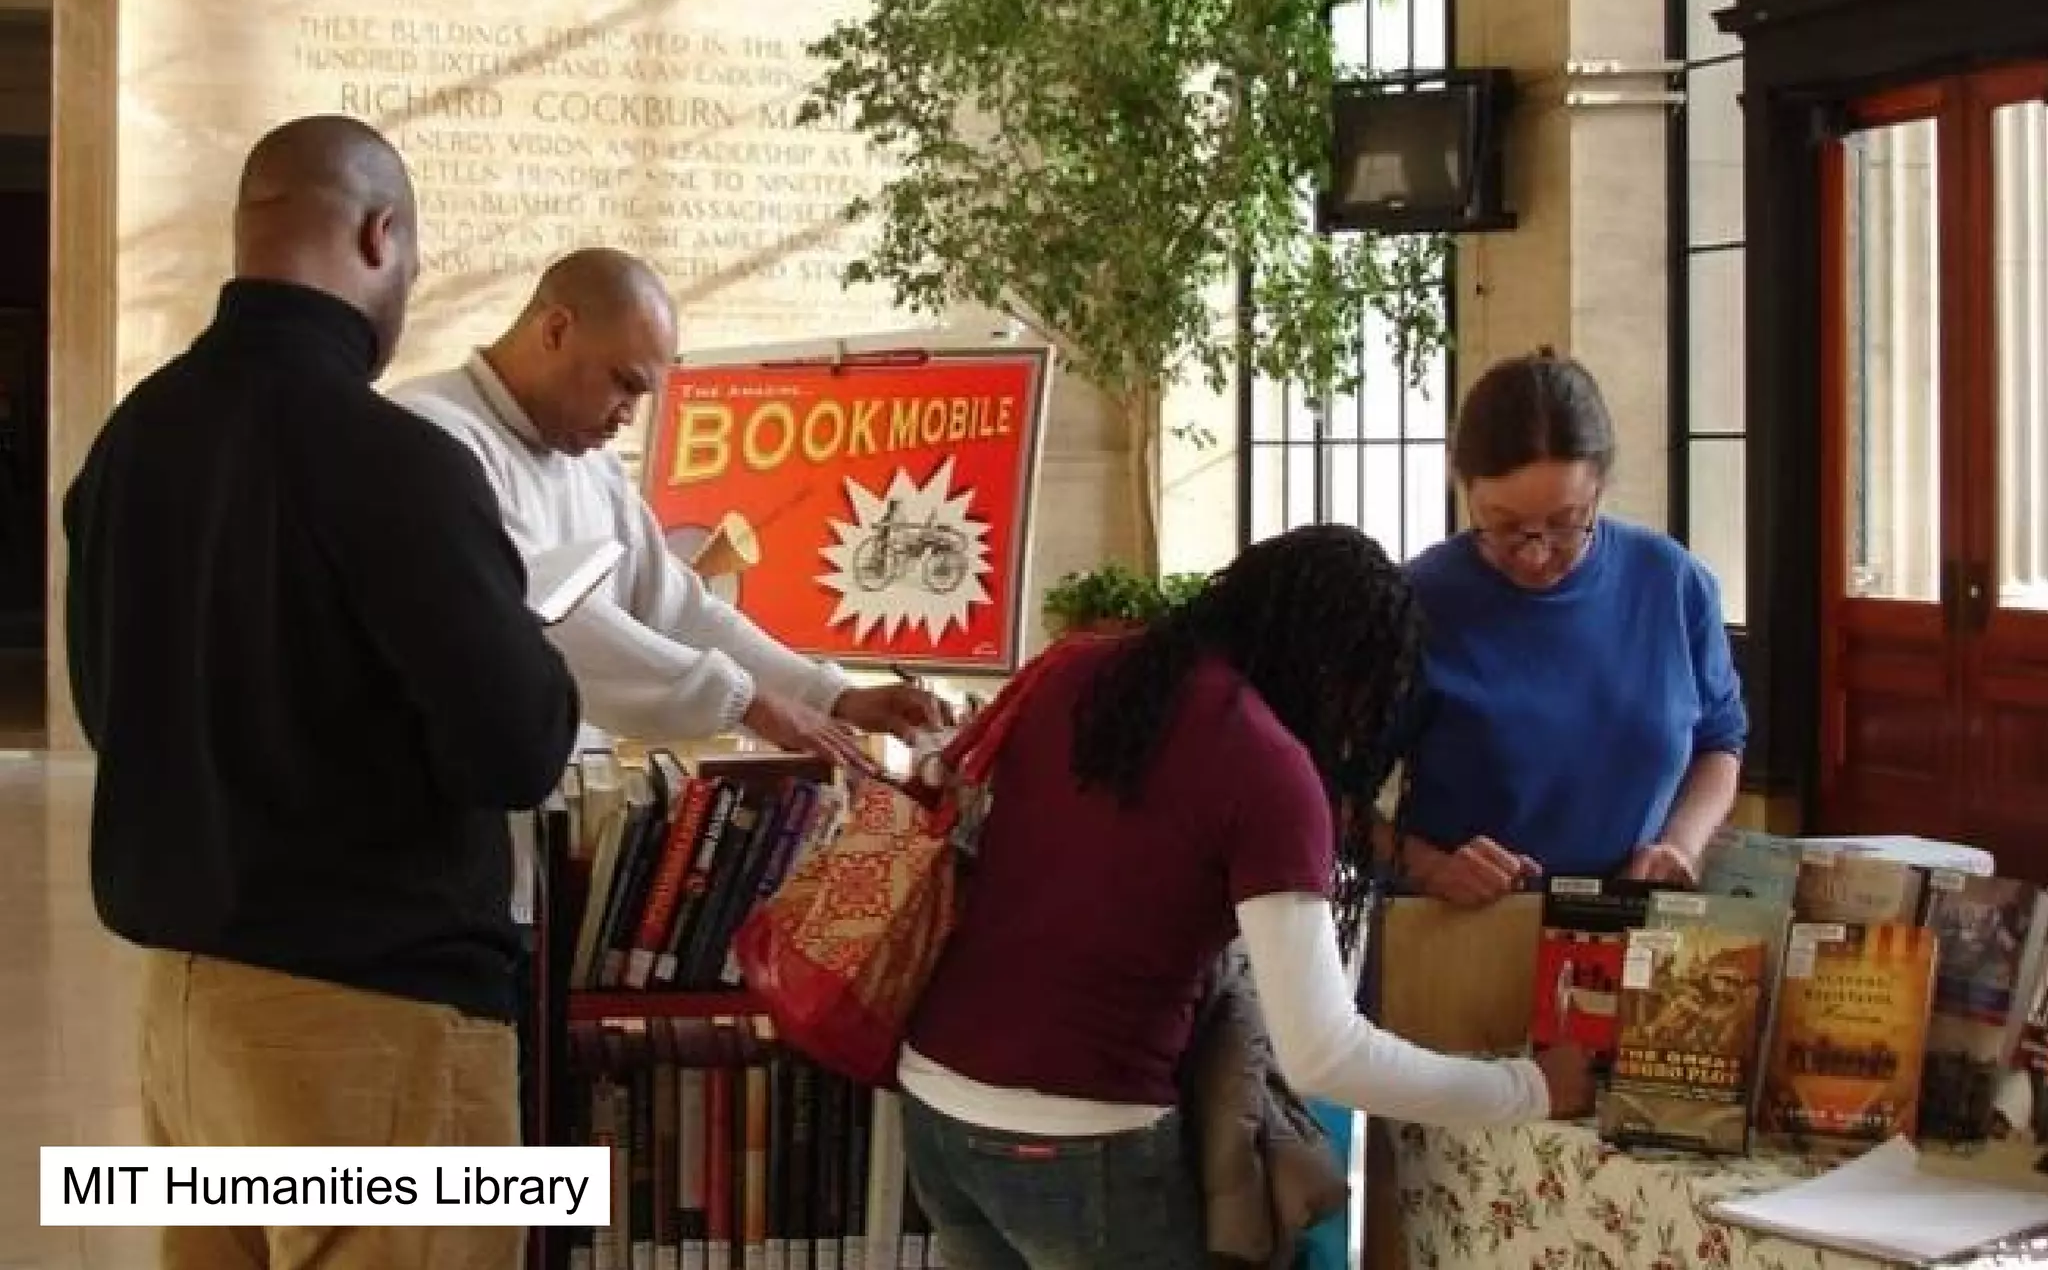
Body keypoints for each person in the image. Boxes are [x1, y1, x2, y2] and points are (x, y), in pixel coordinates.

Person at [64, 115, 582, 1270]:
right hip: (370, 1026)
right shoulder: (391, 457)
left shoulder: (132, 440)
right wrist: (531, 650)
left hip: (189, 1014)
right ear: (379, 232)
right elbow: (514, 750)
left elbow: (112, 711)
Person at [895, 524, 1593, 1270]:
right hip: (1080, 1134)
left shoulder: (1081, 669)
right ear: (1342, 675)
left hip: (934, 1102)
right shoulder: (1268, 767)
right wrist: (1526, 1087)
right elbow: (1325, 1055)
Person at [390, 248, 946, 766]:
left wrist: (831, 695)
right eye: (624, 384)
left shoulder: (591, 462)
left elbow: (678, 608)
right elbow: (538, 620)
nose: (628, 416)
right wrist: (746, 702)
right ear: (556, 330)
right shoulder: (429, 433)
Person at [1390, 349, 1747, 907]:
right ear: (1464, 490)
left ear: (1600, 490)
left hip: (1631, 926)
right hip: (1462, 928)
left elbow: (1719, 745)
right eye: (1504, 527)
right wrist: (1429, 868)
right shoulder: (1414, 601)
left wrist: (1680, 845)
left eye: (1564, 524)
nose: (1535, 555)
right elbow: (1327, 794)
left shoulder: (1673, 584)